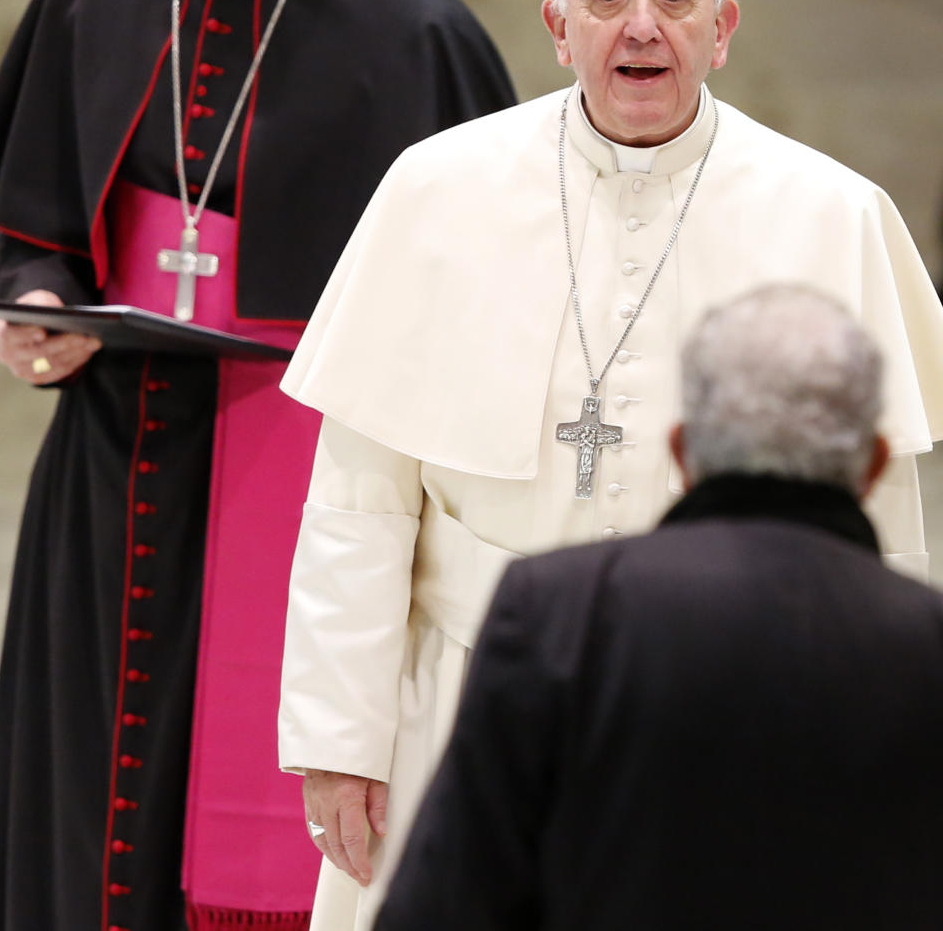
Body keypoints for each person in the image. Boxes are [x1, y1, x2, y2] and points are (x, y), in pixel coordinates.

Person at [278, 0, 943, 931]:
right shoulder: (434, 192)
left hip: (730, 716)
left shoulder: (832, 211)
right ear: (557, 28)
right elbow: (359, 503)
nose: (642, 23)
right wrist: (339, 739)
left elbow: (886, 531)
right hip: (458, 699)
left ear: (721, 30)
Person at [0, 0, 514, 931]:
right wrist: (39, 306)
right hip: (112, 457)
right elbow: (37, 223)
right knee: (92, 774)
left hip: (305, 465)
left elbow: (473, 291)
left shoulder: (415, 22)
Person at [373, 285, 943, 931]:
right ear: (873, 463)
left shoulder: (561, 610)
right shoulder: (927, 640)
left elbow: (451, 899)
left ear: (682, 450)